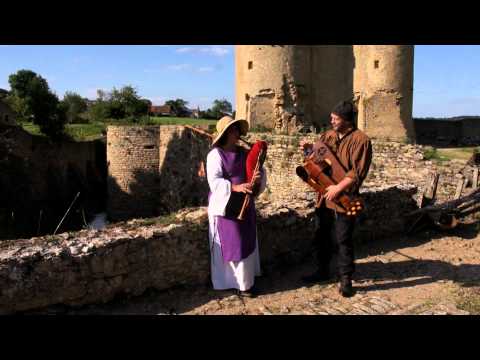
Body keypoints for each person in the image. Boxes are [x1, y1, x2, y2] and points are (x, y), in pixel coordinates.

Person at [299, 100, 372, 297]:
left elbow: (357, 172)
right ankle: (322, 271)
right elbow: (318, 160)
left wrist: (338, 188)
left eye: (335, 118)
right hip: (324, 195)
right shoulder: (328, 135)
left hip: (345, 198)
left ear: (347, 120)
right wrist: (307, 150)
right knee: (321, 233)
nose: (331, 120)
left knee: (343, 239)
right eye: (331, 117)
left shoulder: (361, 141)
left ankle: (346, 278)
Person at [206, 116, 267, 298]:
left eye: (237, 130)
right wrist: (235, 187)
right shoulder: (215, 155)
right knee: (234, 241)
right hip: (225, 203)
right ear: (225, 134)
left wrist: (258, 176)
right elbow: (214, 181)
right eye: (233, 130)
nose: (237, 134)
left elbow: (255, 172)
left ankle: (246, 282)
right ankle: (231, 282)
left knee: (247, 237)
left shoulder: (243, 153)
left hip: (245, 202)